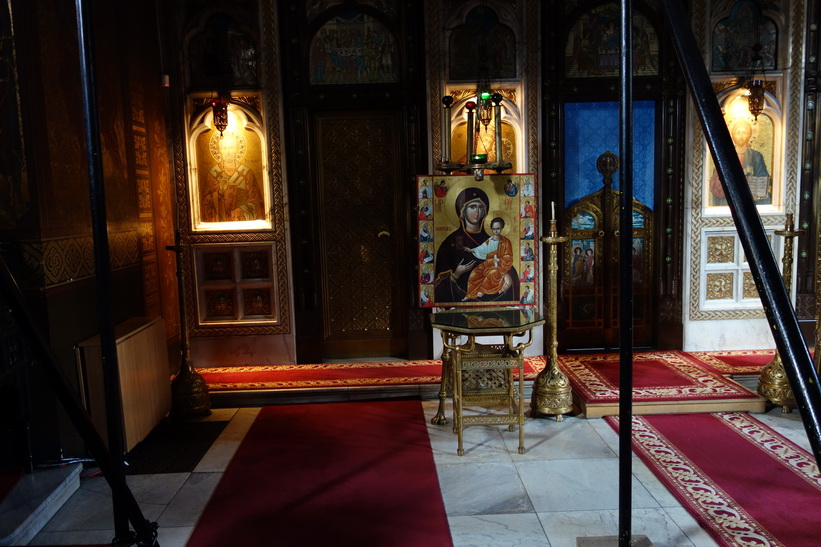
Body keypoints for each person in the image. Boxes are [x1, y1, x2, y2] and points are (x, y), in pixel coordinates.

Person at [434, 186, 518, 303]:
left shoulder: (494, 239)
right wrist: (457, 273)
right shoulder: (451, 242)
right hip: (460, 303)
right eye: (472, 207)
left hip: (495, 300)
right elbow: (439, 283)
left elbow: (506, 260)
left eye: (480, 207)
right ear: (462, 211)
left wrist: (507, 274)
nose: (477, 212)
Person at [202, 131, 265, 222]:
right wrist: (219, 193)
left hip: (242, 222)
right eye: (225, 148)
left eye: (231, 147)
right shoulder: (212, 174)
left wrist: (243, 210)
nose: (228, 151)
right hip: (221, 223)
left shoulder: (247, 173)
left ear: (236, 149)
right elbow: (205, 204)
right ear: (220, 150)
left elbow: (258, 203)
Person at [709, 118, 770, 205]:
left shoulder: (756, 156)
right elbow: (717, 183)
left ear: (749, 135)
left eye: (744, 133)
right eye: (738, 133)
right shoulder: (725, 155)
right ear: (733, 135)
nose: (741, 136)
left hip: (750, 199)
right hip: (729, 200)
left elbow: (763, 177)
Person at [463, 217, 514, 300]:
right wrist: (472, 250)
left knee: (492, 274)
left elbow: (509, 256)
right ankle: (470, 294)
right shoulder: (489, 240)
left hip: (501, 265)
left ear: (501, 228)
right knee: (475, 273)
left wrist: (499, 259)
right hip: (490, 263)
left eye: (498, 229)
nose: (496, 231)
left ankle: (482, 290)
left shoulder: (506, 242)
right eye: (494, 229)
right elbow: (482, 249)